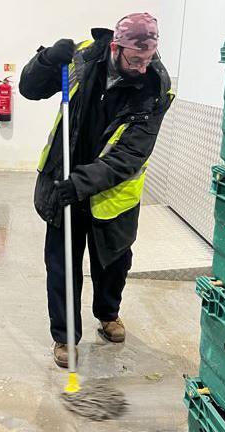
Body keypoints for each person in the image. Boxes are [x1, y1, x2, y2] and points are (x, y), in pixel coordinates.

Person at [19, 13, 174, 368]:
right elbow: (30, 89)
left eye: (148, 57)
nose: (142, 66)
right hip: (64, 179)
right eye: (135, 59)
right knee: (62, 266)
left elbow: (131, 155)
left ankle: (108, 315)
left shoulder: (156, 86)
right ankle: (64, 338)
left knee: (114, 264)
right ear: (116, 47)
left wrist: (83, 184)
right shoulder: (84, 58)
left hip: (112, 193)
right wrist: (44, 62)